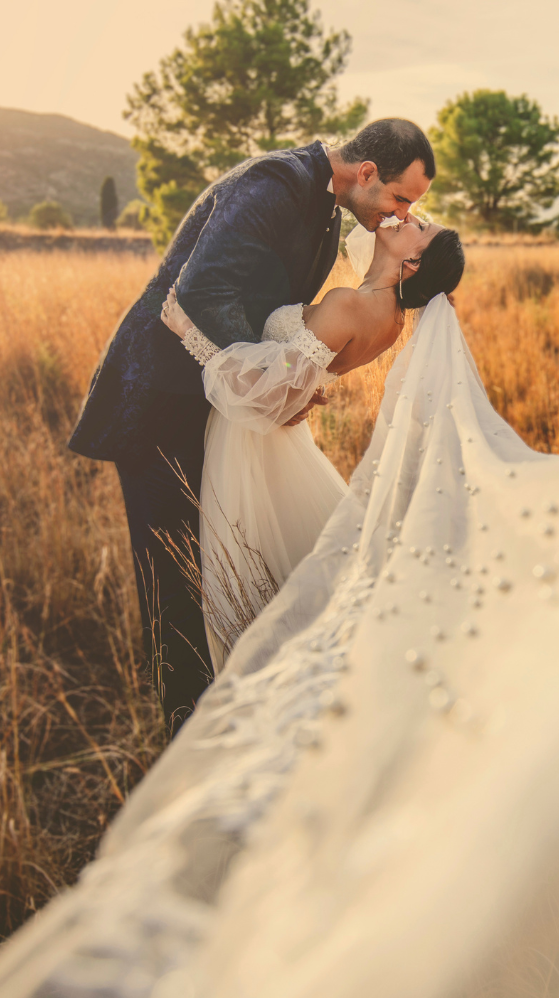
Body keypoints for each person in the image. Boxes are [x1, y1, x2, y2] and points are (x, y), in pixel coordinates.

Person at [65, 118, 437, 736]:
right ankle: (184, 740)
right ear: (367, 173)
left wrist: (281, 385)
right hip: (158, 399)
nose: (401, 215)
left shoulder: (328, 205)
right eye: (401, 198)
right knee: (175, 583)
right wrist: (266, 389)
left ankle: (228, 721)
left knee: (215, 571)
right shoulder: (274, 183)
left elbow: (267, 308)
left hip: (212, 403)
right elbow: (204, 292)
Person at [161, 214, 466, 671]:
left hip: (252, 442)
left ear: (414, 262)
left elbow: (269, 387)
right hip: (283, 436)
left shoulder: (348, 305)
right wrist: (308, 389)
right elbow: (310, 370)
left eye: (420, 226)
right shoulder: (390, 320)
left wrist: (191, 335)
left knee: (259, 579)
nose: (407, 217)